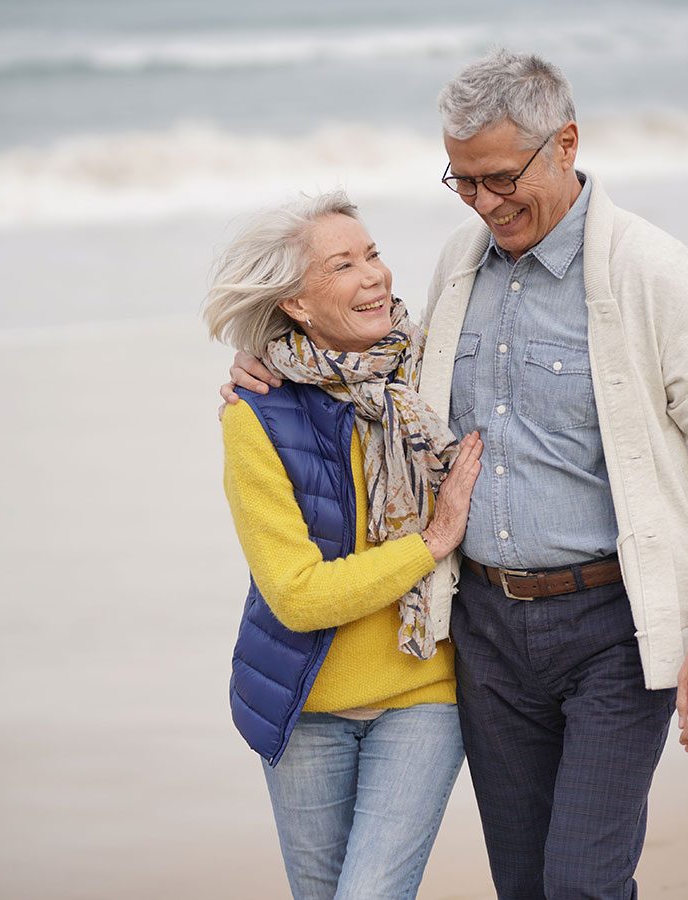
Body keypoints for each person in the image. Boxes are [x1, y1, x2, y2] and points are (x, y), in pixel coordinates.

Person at [222, 51, 688, 899]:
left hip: (614, 629)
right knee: (525, 885)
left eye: (499, 178)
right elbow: (377, 370)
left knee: (581, 884)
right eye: (462, 183)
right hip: (485, 633)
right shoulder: (460, 263)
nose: (485, 204)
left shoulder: (652, 273)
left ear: (565, 144)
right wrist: (259, 353)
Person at [205, 190, 484, 900]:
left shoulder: (433, 373)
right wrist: (432, 541)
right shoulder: (256, 413)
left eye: (374, 254)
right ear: (296, 302)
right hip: (303, 705)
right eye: (343, 266)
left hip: (423, 691)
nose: (375, 277)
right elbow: (297, 596)